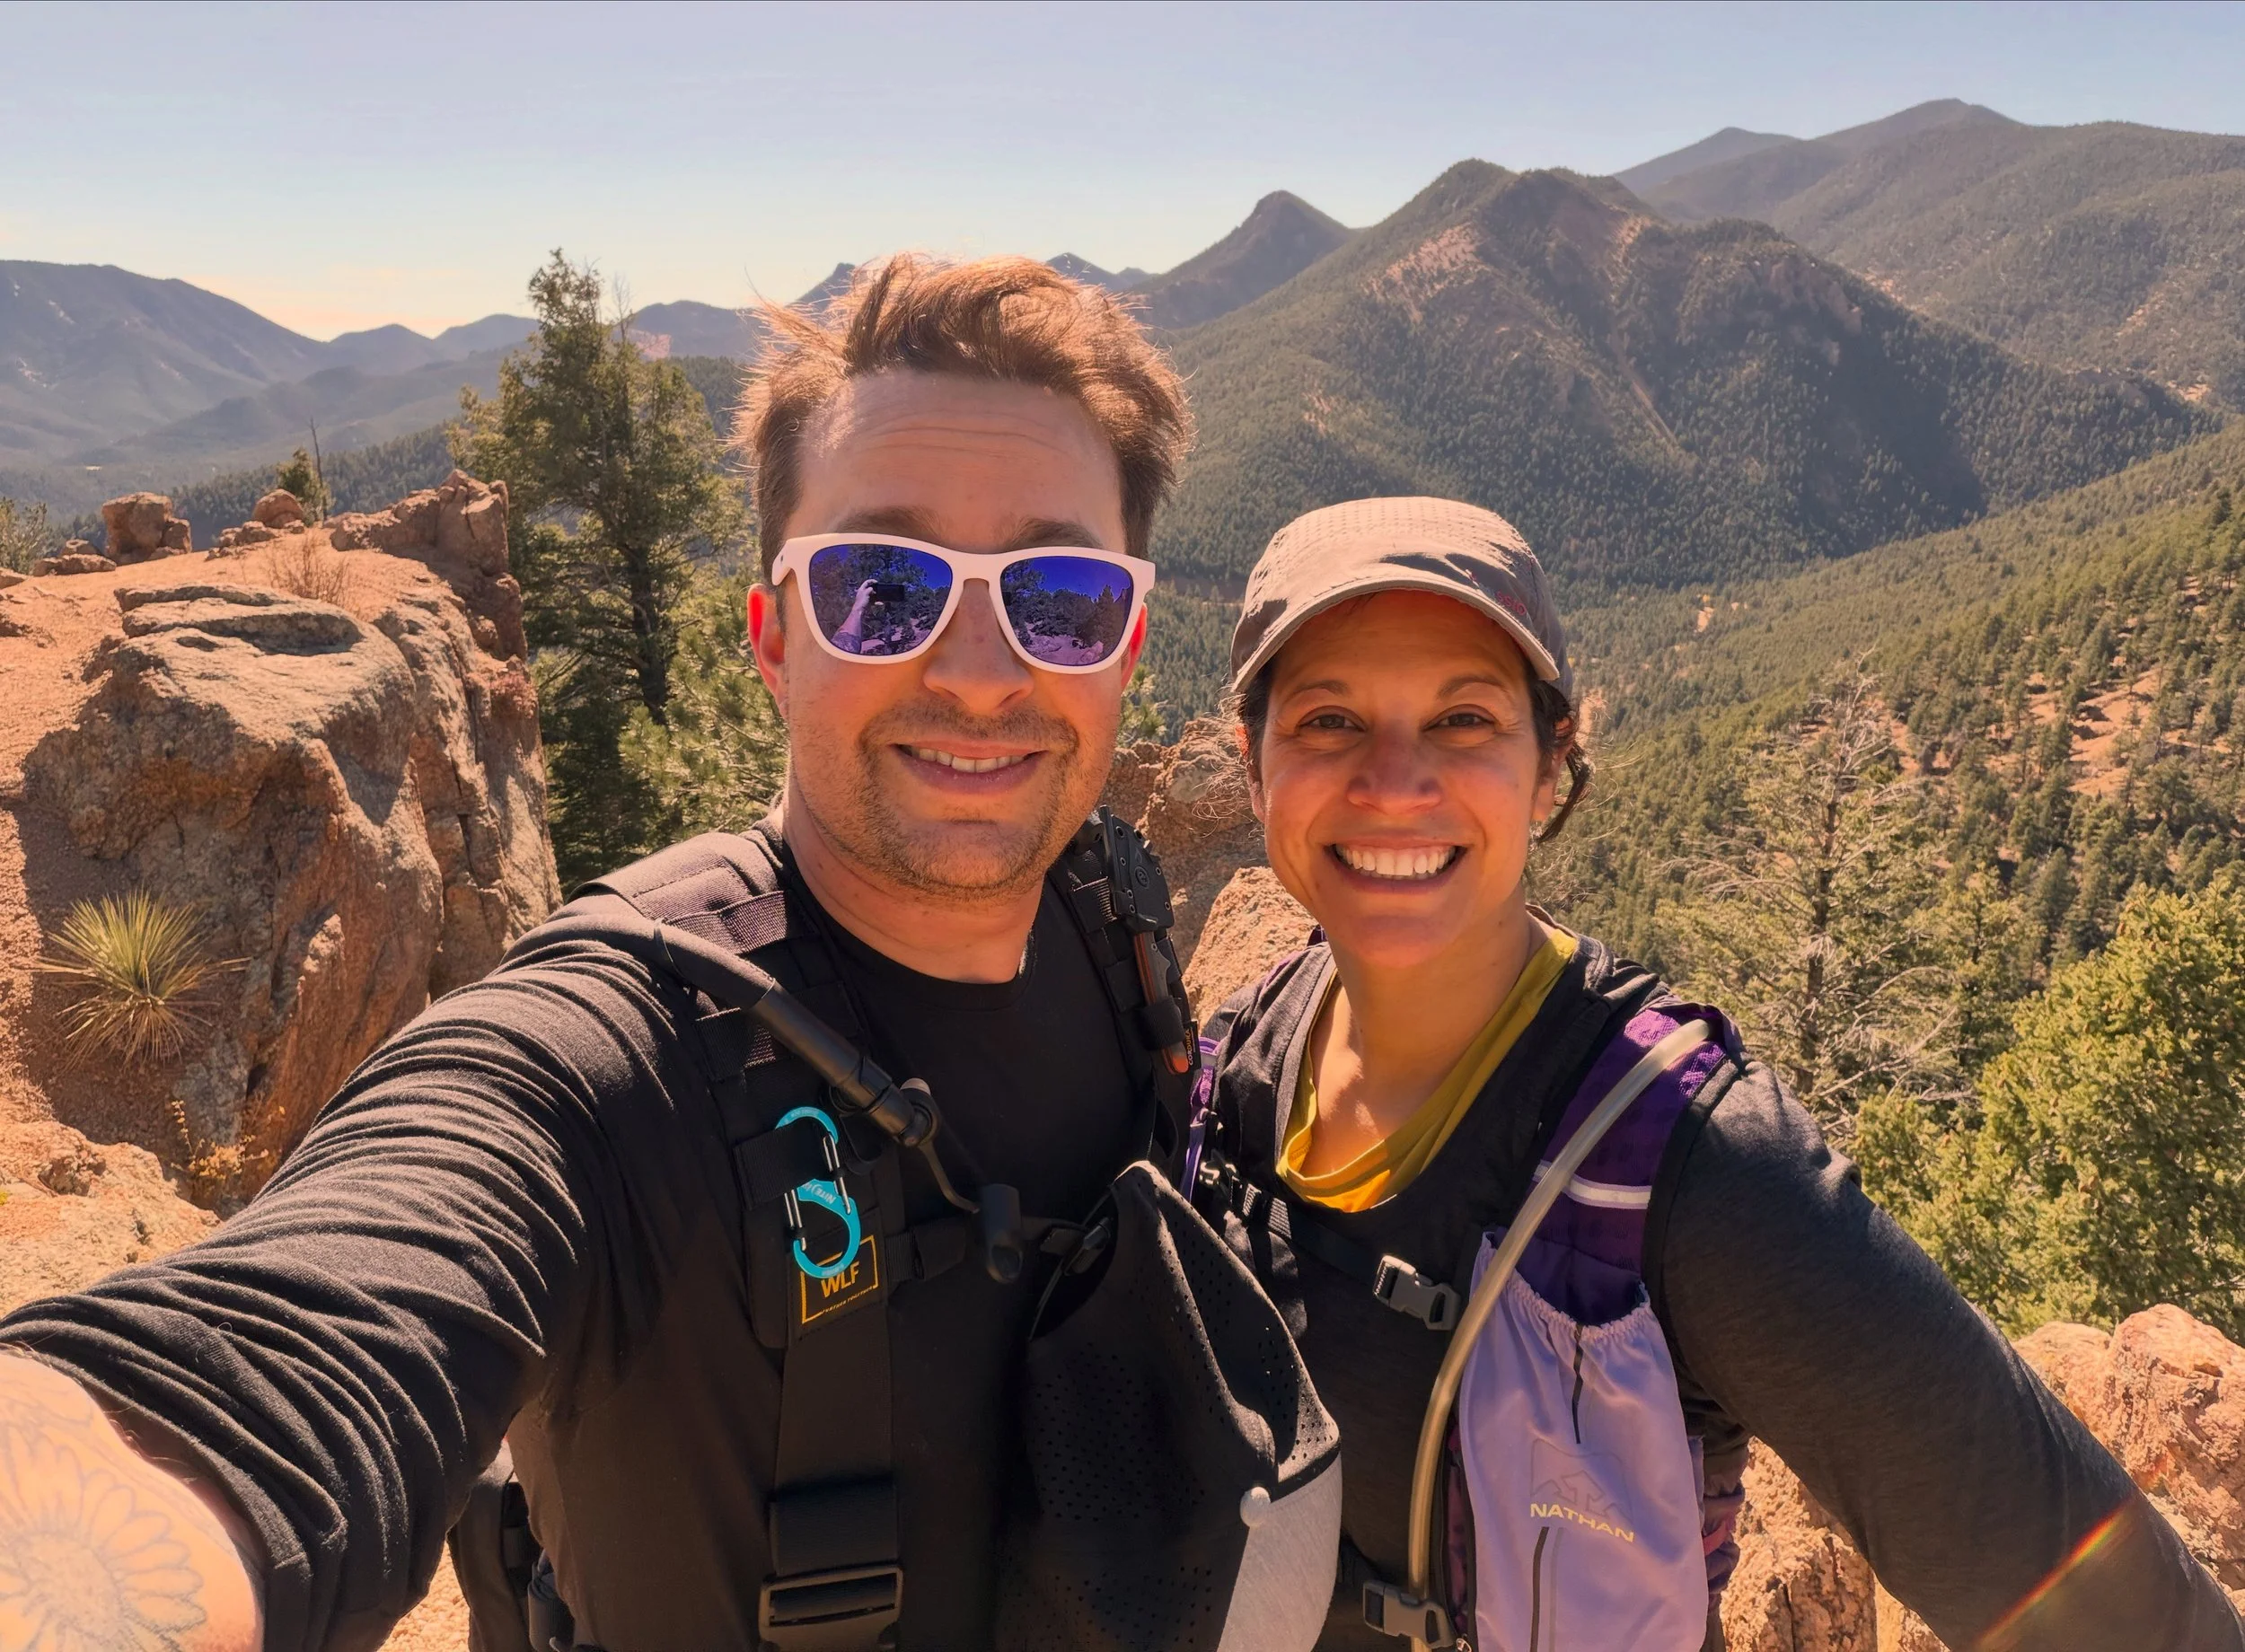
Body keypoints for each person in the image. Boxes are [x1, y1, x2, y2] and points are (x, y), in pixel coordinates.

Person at [0, 254, 1225, 1652]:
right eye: (880, 588)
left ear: (1127, 643)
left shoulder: (1112, 917)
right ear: (771, 638)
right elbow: (274, 1367)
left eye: (1058, 597)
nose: (979, 670)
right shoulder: (601, 1059)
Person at [1191, 496, 2243, 1651]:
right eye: (1330, 719)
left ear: (1551, 770)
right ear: (1253, 766)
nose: (1394, 782)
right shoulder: (1244, 1054)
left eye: (1464, 719)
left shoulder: (1691, 1170)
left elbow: (2099, 1599)